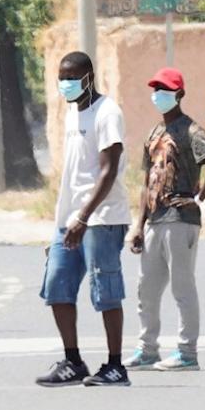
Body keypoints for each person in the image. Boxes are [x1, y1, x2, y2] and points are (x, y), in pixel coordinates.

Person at [36, 51, 131, 387]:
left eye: (72, 77)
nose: (66, 84)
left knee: (105, 290)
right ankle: (73, 361)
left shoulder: (107, 113)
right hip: (70, 218)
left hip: (102, 217)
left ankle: (116, 365)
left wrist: (84, 216)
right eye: (61, 78)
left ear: (89, 77)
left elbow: (108, 171)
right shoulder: (71, 115)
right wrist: (65, 219)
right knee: (56, 285)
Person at [125, 68, 205, 372]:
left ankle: (187, 352)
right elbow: (147, 182)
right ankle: (147, 348)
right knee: (147, 289)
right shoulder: (154, 134)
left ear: (180, 95)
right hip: (155, 220)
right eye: (156, 89)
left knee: (182, 287)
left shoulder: (191, 131)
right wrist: (139, 224)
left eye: (166, 90)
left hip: (180, 218)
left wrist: (199, 197)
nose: (159, 95)